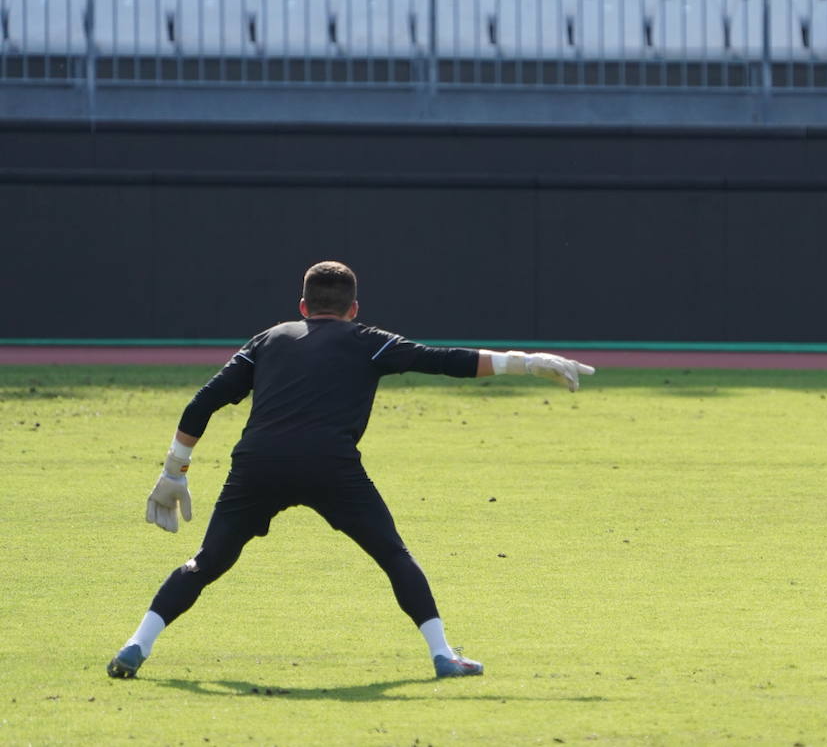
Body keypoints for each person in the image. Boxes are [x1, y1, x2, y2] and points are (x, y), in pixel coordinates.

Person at [107, 261, 595, 680]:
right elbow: (444, 361)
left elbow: (204, 401)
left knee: (208, 562)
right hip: (330, 466)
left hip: (258, 464)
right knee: (393, 555)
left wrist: (175, 470)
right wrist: (527, 363)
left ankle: (135, 645)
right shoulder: (369, 341)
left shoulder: (268, 339)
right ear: (353, 308)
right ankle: (443, 655)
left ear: (302, 306)